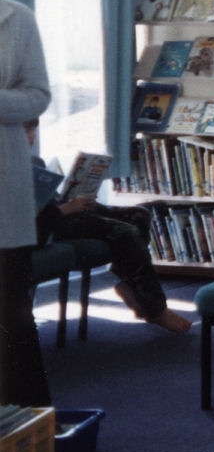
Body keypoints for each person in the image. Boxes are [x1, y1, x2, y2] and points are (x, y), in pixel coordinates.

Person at [29, 120, 191, 334]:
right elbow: (29, 217)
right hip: (50, 225)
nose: (31, 135)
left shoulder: (32, 162)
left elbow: (46, 199)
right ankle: (155, 309)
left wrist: (77, 197)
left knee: (138, 215)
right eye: (25, 129)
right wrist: (67, 208)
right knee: (125, 232)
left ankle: (129, 283)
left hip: (62, 210)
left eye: (32, 129)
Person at [1, 0, 54, 405]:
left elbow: (38, 96)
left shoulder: (16, 18)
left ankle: (32, 428)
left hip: (4, 197)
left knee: (12, 319)